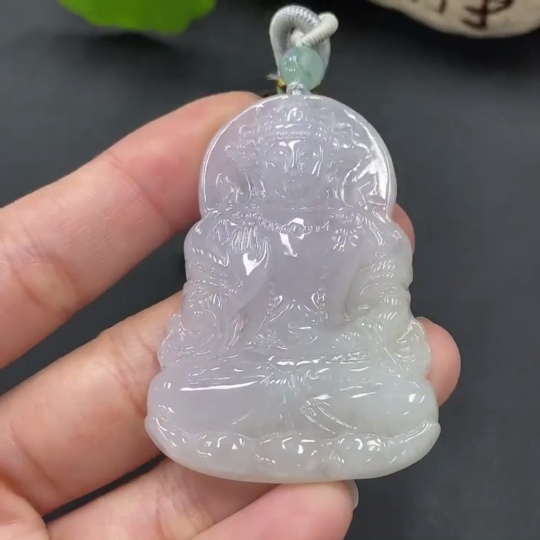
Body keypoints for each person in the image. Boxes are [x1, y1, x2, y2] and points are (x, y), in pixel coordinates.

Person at [0, 92, 460, 540]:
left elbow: (382, 313)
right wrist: (238, 331)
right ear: (258, 163)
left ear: (330, 164)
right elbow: (208, 316)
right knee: (179, 395)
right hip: (251, 367)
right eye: (280, 154)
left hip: (334, 364)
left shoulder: (368, 234)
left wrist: (336, 345)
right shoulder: (225, 233)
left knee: (403, 399)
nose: (293, 166)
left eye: (307, 155)